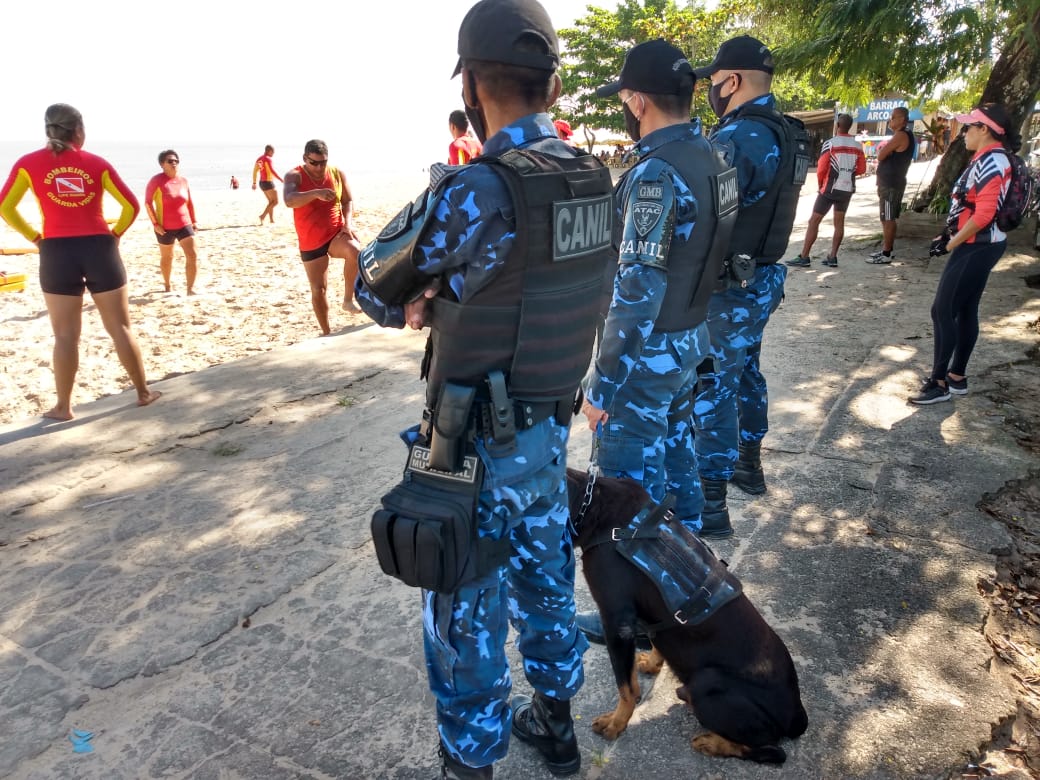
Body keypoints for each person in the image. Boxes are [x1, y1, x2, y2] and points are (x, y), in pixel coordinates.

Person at [354, 1, 615, 775]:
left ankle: (471, 762)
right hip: (545, 433)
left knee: (464, 612)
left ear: (471, 87)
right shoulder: (595, 175)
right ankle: (558, 728)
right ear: (556, 86)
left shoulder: (477, 191)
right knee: (544, 575)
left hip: (468, 449)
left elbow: (374, 287)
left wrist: (430, 296)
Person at [574, 38, 737, 641]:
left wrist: (601, 385)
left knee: (622, 490)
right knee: (675, 459)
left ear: (637, 100)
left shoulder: (654, 176)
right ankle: (695, 581)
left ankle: (642, 617)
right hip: (691, 339)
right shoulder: (713, 156)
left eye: (623, 96)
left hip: (648, 356)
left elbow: (637, 291)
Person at [691, 35, 807, 535]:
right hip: (759, 280)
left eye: (714, 83)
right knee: (744, 375)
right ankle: (747, 464)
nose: (712, 93)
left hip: (730, 290)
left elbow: (702, 215)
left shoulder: (738, 139)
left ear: (732, 81)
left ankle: (710, 502)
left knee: (712, 385)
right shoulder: (788, 131)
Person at [0, 103, 161, 420]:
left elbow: (5, 207)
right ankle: (143, 392)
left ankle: (63, 407)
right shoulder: (96, 163)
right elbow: (130, 205)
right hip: (99, 248)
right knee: (120, 327)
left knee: (64, 335)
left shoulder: (27, 164)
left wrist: (35, 238)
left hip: (56, 251)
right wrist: (115, 234)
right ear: (79, 130)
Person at [910, 104, 1017, 405]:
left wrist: (950, 244)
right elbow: (971, 207)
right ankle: (957, 377)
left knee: (941, 310)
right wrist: (948, 235)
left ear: (985, 130)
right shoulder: (988, 158)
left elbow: (983, 215)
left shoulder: (991, 161)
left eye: (970, 127)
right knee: (966, 309)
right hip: (981, 244)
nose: (965, 133)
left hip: (977, 246)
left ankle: (938, 382)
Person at [283, 139, 361, 335]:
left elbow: (347, 200)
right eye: (314, 163)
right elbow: (289, 200)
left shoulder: (336, 173)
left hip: (335, 232)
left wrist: (348, 223)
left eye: (323, 162)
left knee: (356, 252)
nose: (319, 167)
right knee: (319, 289)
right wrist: (315, 193)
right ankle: (327, 333)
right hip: (310, 239)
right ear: (305, 159)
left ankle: (348, 300)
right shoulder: (295, 176)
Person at [787, 113, 865, 268]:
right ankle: (833, 256)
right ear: (849, 126)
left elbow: (822, 168)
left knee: (814, 221)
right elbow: (862, 169)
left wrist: (821, 184)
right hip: (847, 189)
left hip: (829, 188)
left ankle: (804, 256)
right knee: (839, 223)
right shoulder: (857, 146)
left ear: (837, 125)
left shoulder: (830, 144)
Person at [145, 150, 199, 294]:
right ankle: (167, 285)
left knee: (192, 255)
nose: (174, 163)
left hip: (184, 224)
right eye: (170, 161)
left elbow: (190, 203)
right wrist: (155, 224)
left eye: (176, 161)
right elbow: (148, 203)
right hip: (164, 227)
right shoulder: (156, 181)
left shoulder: (184, 181)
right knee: (167, 257)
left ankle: (190, 289)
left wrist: (193, 221)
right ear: (162, 164)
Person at [866, 106, 916, 264]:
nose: (890, 120)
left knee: (888, 218)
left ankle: (887, 253)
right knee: (886, 216)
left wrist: (887, 151)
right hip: (889, 182)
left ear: (902, 119)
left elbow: (880, 155)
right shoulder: (901, 135)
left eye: (893, 117)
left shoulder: (901, 135)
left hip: (891, 184)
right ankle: (886, 250)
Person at [252, 144, 283, 224]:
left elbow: (255, 171)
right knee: (275, 202)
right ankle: (262, 216)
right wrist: (281, 179)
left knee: (271, 202)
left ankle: (271, 220)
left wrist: (254, 182)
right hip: (268, 182)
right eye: (273, 152)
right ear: (269, 151)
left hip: (261, 183)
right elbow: (272, 171)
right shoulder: (268, 159)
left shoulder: (259, 159)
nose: (273, 154)